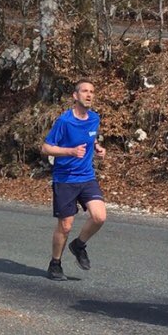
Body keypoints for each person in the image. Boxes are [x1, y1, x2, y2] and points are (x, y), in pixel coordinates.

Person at [41, 80, 107, 281]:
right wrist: (69, 151)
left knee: (99, 216)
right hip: (65, 179)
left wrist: (96, 147)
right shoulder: (64, 121)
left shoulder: (94, 118)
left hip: (87, 176)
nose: (89, 95)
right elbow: (46, 148)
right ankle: (55, 264)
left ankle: (78, 245)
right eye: (85, 91)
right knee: (66, 225)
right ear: (75, 96)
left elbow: (91, 137)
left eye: (92, 92)